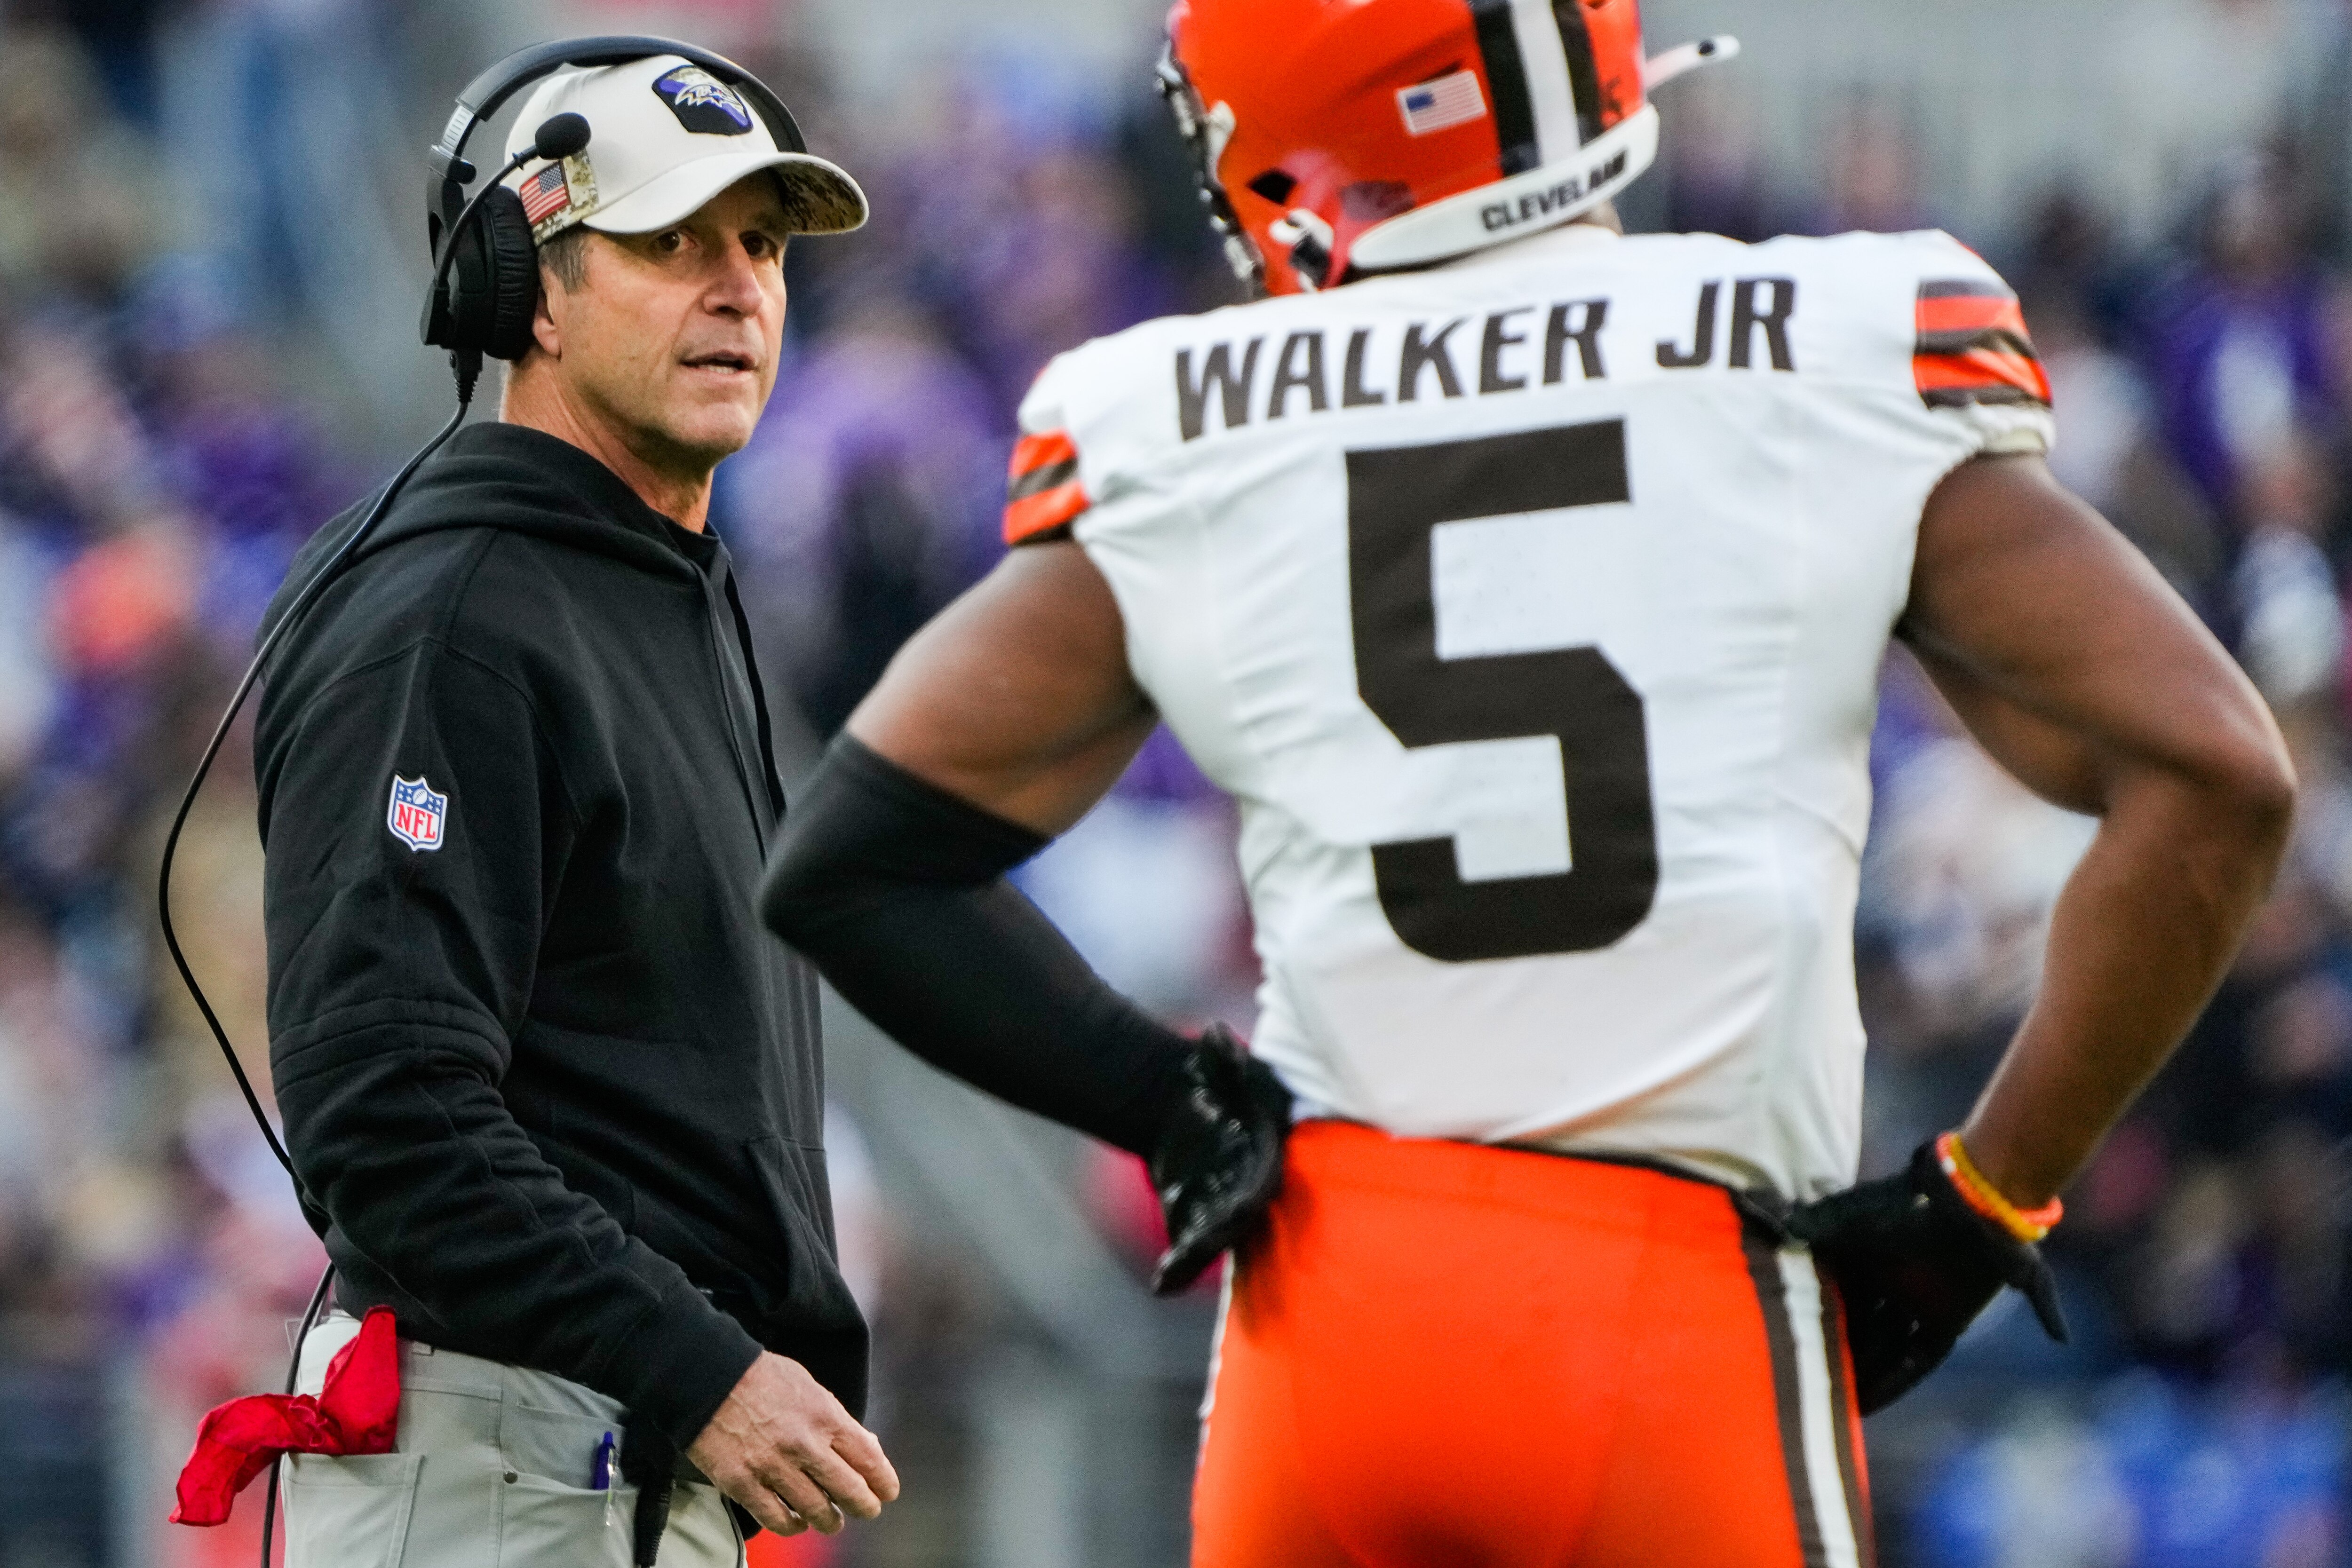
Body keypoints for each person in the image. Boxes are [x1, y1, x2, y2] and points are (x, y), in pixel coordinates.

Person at [760, 1, 2300, 1564]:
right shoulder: (1827, 343)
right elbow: (2216, 773)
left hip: (1328, 1312)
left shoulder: (1183, 415)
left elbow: (847, 860)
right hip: (1675, 1307)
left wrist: (1169, 1108)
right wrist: (1992, 1198)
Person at [255, 51, 899, 1566]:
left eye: (762, 245)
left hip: (610, 1473)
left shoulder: (651, 587)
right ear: (523, 292)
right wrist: (709, 1371)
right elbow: (387, 1115)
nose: (738, 288)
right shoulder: (452, 614)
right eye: (674, 242)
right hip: (508, 1473)